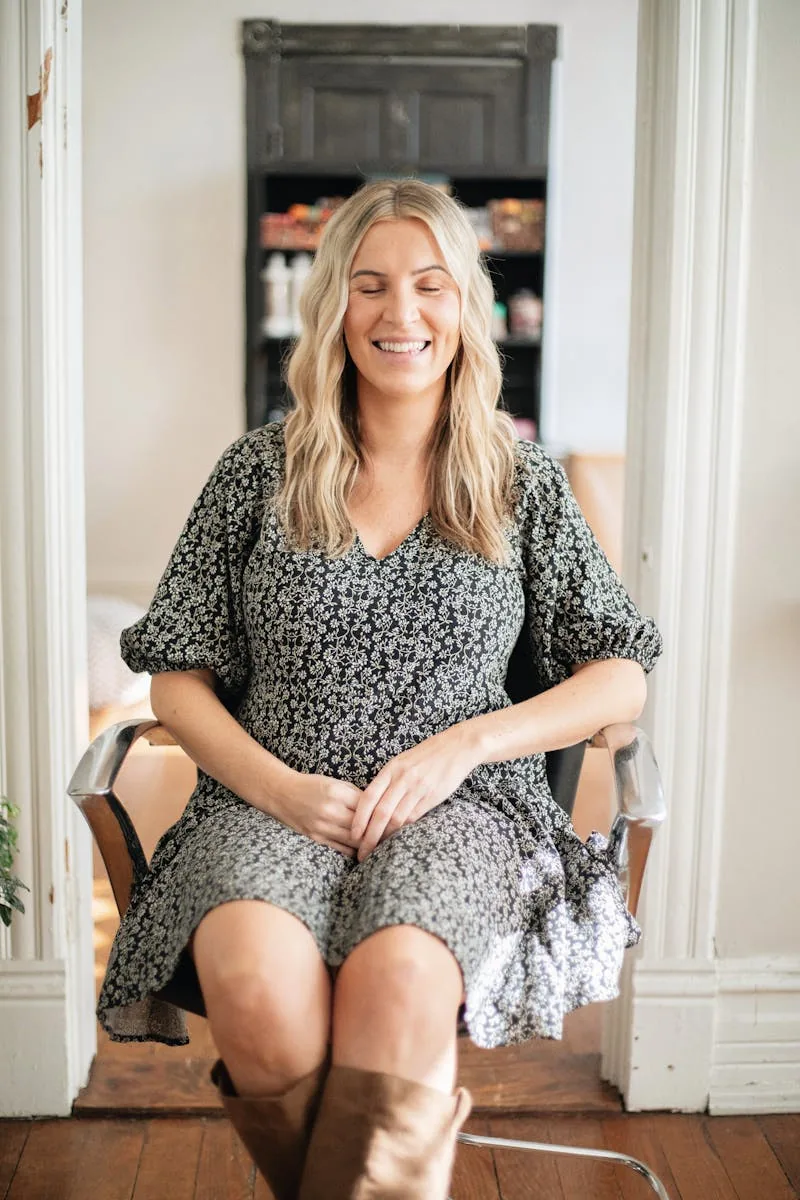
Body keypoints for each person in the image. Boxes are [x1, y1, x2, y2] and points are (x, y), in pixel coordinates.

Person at [101, 177, 663, 1199]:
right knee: (260, 1002)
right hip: (268, 800)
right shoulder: (253, 474)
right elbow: (175, 682)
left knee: (397, 983)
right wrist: (278, 790)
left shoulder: (516, 479)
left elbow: (618, 674)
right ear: (332, 309)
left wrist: (465, 745)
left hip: (467, 809)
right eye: (368, 285)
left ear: (466, 308)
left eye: (428, 285)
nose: (398, 314)